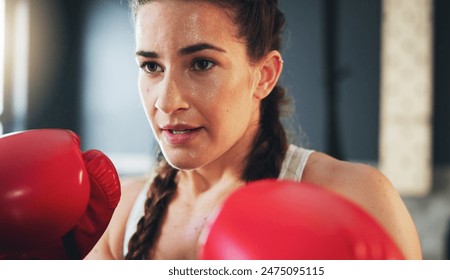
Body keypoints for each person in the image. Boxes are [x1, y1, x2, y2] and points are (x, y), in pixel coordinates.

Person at [85, 0, 422, 260]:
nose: (167, 101)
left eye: (202, 64)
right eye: (151, 66)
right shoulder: (119, 214)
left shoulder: (356, 196)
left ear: (263, 76)